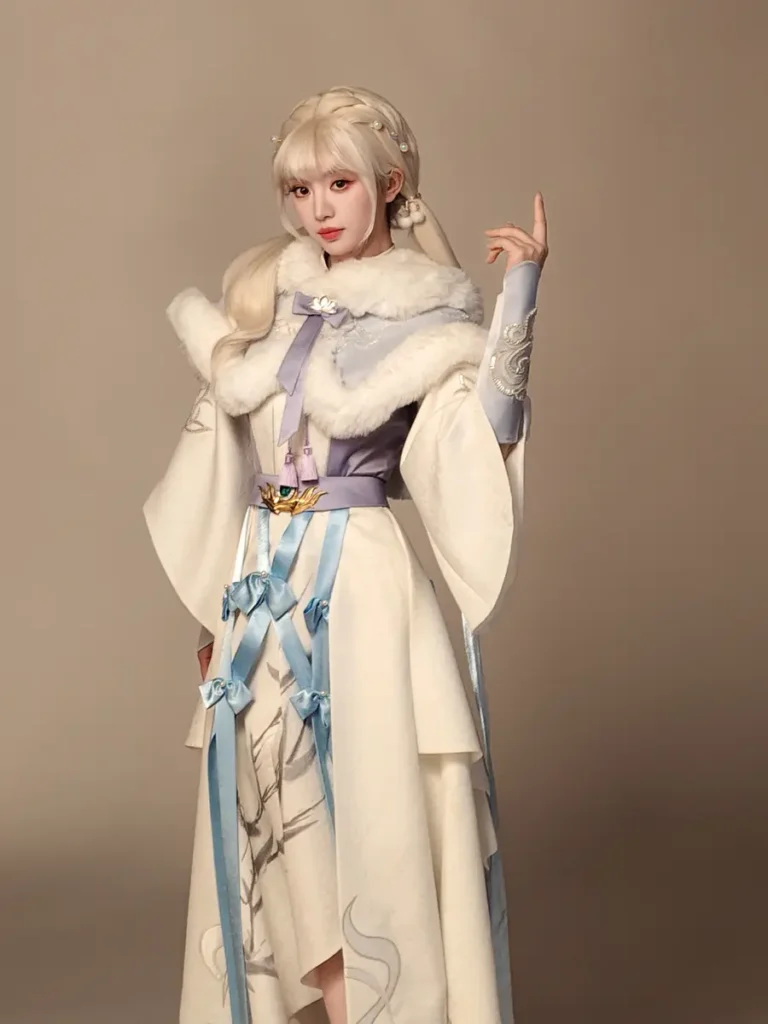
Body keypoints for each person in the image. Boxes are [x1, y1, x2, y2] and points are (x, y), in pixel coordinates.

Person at [144, 84, 548, 1024]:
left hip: (359, 588)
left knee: (368, 812)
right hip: (261, 583)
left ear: (390, 183)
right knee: (277, 817)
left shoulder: (426, 315)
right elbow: (225, 468)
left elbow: (481, 440)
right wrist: (211, 618)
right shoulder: (271, 300)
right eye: (299, 189)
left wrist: (523, 292)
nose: (317, 209)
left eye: (338, 184)